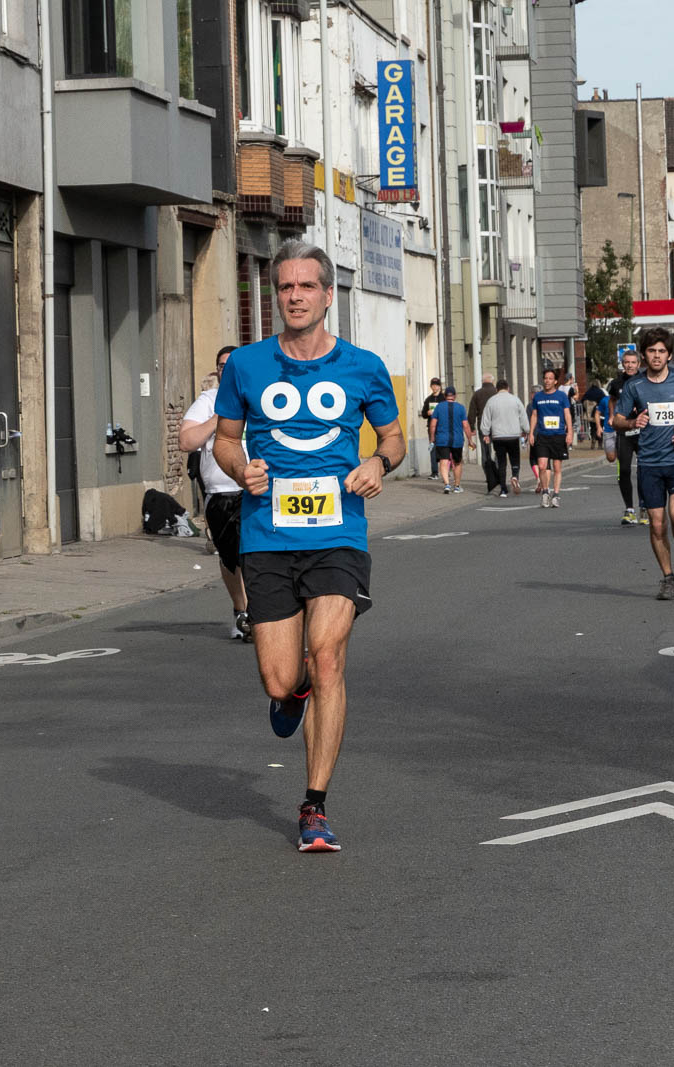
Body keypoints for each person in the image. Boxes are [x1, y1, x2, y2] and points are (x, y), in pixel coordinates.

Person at [212, 238, 405, 853]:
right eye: (285, 287)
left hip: (338, 535)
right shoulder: (244, 365)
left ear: (328, 295)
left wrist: (378, 463)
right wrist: (240, 468)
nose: (295, 296)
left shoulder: (364, 366)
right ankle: (291, 693)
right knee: (279, 680)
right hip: (266, 536)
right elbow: (222, 439)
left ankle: (314, 805)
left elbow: (395, 438)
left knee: (328, 657)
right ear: (278, 296)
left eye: (306, 287)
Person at [611, 327, 674, 600]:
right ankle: (667, 578)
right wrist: (632, 422)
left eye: (661, 351)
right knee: (656, 525)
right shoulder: (634, 386)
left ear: (670, 355)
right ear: (644, 355)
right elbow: (616, 420)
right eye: (651, 351)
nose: (656, 355)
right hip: (650, 463)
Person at [181, 345, 251, 640]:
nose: (226, 369)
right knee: (230, 558)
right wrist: (219, 418)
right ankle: (242, 611)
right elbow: (186, 441)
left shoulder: (257, 399)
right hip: (220, 493)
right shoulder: (208, 402)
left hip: (256, 490)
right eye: (221, 365)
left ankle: (258, 613)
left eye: (232, 364)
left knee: (256, 553)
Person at [608, 349, 645, 525]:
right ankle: (629, 509)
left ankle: (645, 508)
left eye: (633, 362)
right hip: (624, 431)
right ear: (623, 364)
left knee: (645, 470)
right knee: (624, 470)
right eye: (627, 362)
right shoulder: (616, 383)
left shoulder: (645, 380)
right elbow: (613, 400)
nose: (630, 365)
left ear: (639, 364)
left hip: (643, 432)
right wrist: (611, 416)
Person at [527, 368, 572, 507]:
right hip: (542, 436)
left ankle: (556, 495)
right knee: (542, 466)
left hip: (558, 435)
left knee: (557, 467)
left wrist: (569, 432)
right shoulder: (538, 397)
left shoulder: (561, 396)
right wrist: (531, 433)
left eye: (550, 378)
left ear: (556, 381)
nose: (547, 381)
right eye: (545, 378)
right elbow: (534, 415)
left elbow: (567, 415)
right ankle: (545, 493)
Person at [480, 379, 530, 498]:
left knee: (501, 462)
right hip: (513, 435)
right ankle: (515, 476)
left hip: (498, 436)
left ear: (497, 389)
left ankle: (503, 489)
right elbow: (523, 417)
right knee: (515, 458)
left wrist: (486, 434)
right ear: (508, 388)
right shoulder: (515, 400)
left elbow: (485, 419)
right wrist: (525, 430)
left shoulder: (491, 401)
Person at [428, 385, 471, 494]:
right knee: (457, 463)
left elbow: (433, 425)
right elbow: (465, 425)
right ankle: (457, 486)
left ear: (444, 395)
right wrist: (470, 440)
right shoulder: (461, 408)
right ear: (455, 396)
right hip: (457, 440)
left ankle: (447, 485)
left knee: (443, 461)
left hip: (442, 439)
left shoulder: (438, 407)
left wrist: (432, 438)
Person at [467, 372, 498, 493]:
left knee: (486, 451)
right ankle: (497, 472)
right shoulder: (497, 393)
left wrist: (472, 427)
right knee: (498, 450)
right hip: (497, 427)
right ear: (492, 381)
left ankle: (488, 475)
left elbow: (472, 412)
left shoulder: (477, 394)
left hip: (482, 427)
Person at [418, 377, 445, 479]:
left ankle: (445, 470)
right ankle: (434, 472)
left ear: (439, 386)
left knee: (443, 449)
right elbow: (424, 413)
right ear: (430, 386)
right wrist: (427, 413)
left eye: (437, 385)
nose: (435, 387)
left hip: (442, 427)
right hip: (432, 428)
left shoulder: (443, 398)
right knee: (433, 449)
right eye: (433, 385)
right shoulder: (428, 399)